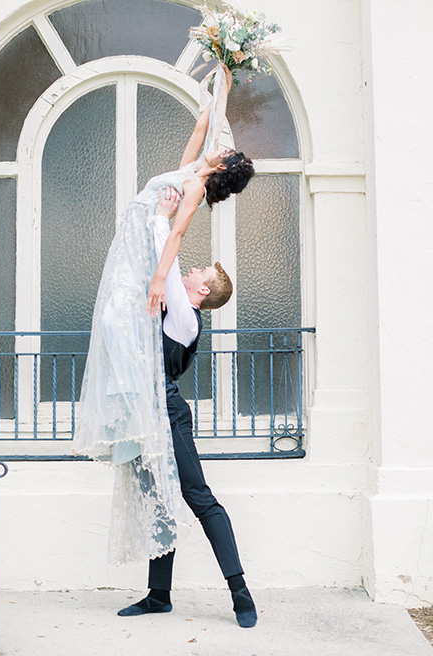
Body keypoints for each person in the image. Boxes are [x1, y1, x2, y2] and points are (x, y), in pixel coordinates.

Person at [74, 64, 254, 566]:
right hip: (133, 243)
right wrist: (224, 80)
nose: (216, 146)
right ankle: (159, 595)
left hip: (143, 251)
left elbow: (174, 236)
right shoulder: (190, 172)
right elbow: (203, 125)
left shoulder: (192, 191)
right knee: (112, 319)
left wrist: (158, 277)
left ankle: (127, 403)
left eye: (222, 153)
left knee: (116, 319)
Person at [116, 187, 257, 628]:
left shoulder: (184, 315)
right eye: (194, 266)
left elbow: (169, 260)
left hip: (169, 415)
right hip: (146, 412)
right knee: (159, 501)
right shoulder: (172, 311)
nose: (192, 270)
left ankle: (240, 593)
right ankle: (159, 597)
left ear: (202, 289)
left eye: (199, 271)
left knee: (198, 497)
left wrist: (165, 217)